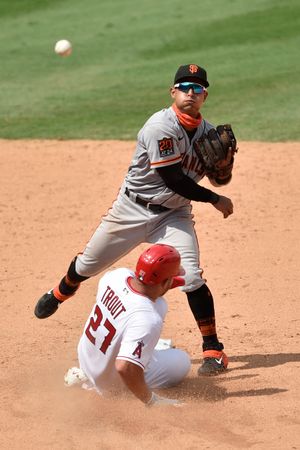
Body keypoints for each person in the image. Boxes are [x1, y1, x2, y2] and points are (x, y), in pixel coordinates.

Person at [35, 63, 234, 376]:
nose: (190, 94)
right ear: (173, 92)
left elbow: (218, 180)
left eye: (197, 89)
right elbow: (172, 178)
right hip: (131, 210)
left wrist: (223, 171)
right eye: (184, 87)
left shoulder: (209, 133)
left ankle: (213, 350)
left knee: (192, 276)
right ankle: (60, 292)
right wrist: (214, 198)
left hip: (174, 215)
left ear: (205, 95)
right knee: (87, 265)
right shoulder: (160, 126)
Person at [65, 244, 191, 406]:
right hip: (109, 384)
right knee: (181, 361)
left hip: (87, 359)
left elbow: (146, 284)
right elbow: (124, 367)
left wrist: (170, 280)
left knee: (151, 309)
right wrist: (151, 400)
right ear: (165, 281)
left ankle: (85, 374)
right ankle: (96, 386)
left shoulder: (115, 276)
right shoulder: (147, 319)